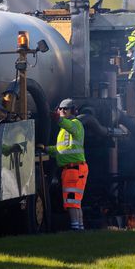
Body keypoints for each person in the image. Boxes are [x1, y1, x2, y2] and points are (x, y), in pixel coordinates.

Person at [45, 98, 88, 231]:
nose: (62, 111)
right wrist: (45, 149)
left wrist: (58, 119)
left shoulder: (76, 124)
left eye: (66, 109)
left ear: (73, 111)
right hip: (72, 169)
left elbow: (69, 126)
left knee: (72, 202)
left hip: (74, 169)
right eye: (61, 108)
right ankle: (79, 228)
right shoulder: (64, 130)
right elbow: (61, 150)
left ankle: (75, 229)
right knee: (75, 202)